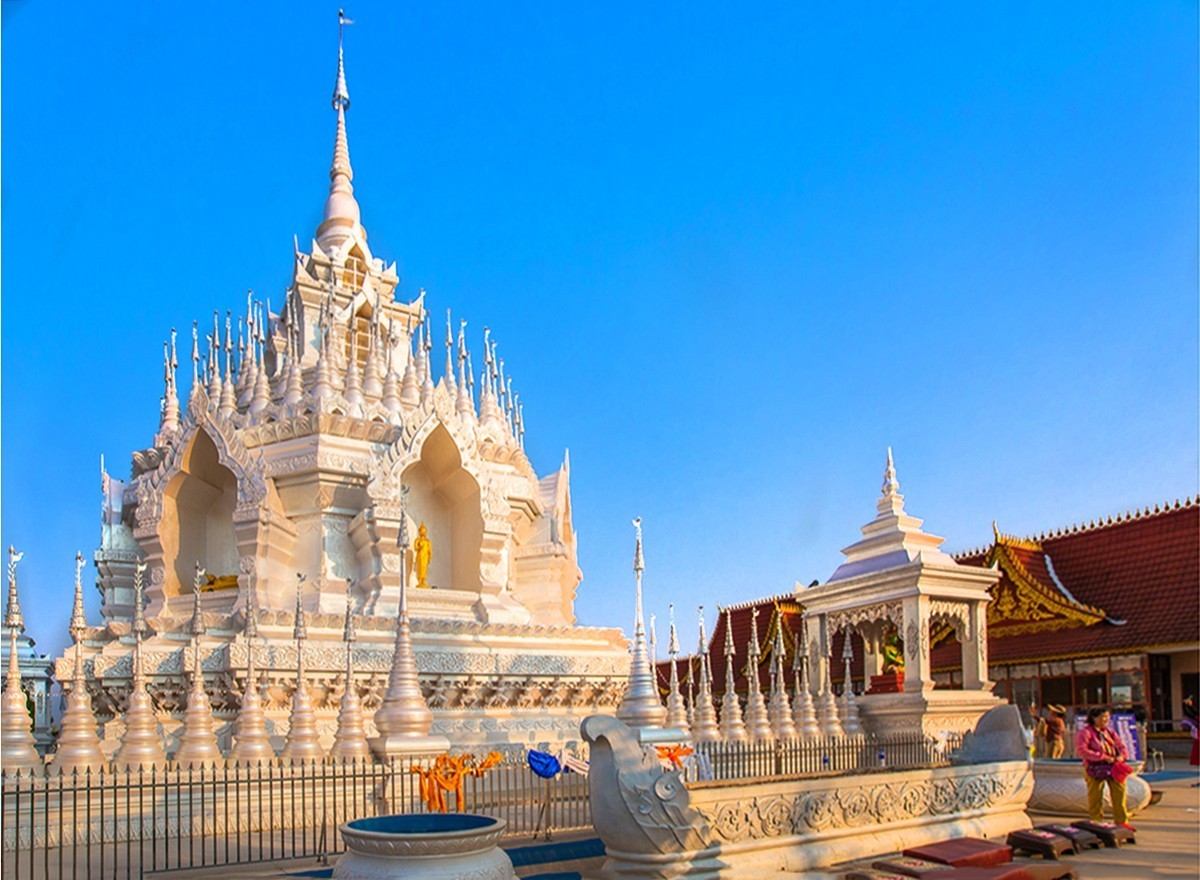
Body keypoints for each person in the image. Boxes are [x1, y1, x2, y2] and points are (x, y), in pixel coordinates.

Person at [1074, 707, 1133, 830]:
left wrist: (1121, 756)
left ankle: (1121, 822)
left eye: (1107, 717)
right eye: (1102, 717)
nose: (1105, 720)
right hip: (1094, 768)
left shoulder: (1110, 733)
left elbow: (1121, 747)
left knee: (1119, 794)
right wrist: (1102, 757)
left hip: (1113, 767)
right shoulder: (1085, 733)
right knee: (1095, 796)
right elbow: (1082, 750)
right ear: (1093, 718)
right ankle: (1097, 822)